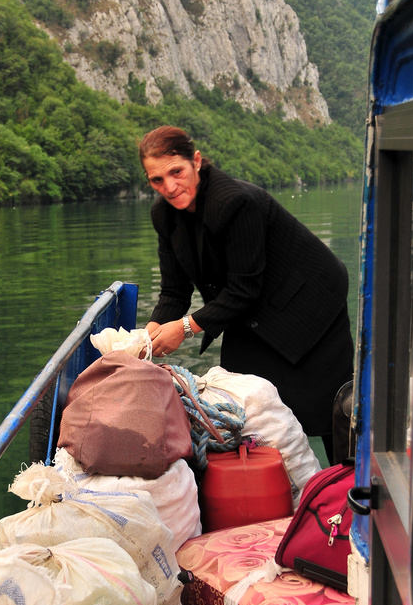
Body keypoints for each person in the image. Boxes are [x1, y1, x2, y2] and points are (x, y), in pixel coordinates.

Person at [140, 125, 353, 463]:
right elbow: (174, 291)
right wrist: (150, 335)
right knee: (242, 405)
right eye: (156, 180)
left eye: (176, 172)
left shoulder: (235, 202)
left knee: (331, 411)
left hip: (310, 305)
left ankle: (348, 487)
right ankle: (271, 493)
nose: (169, 186)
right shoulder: (163, 216)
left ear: (196, 162)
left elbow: (244, 289)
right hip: (248, 310)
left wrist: (183, 328)